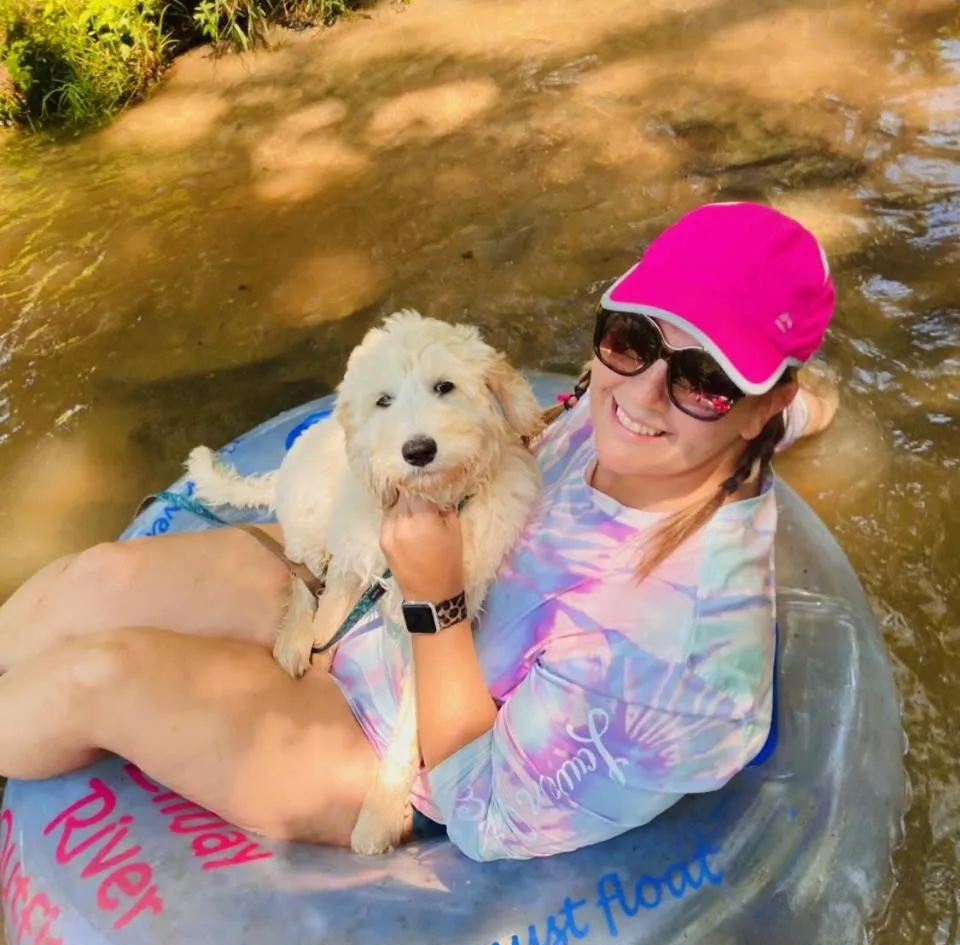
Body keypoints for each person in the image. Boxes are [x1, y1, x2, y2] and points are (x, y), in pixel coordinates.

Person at [0, 202, 837, 862]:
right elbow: (726, 393)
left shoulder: (668, 655)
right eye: (633, 339)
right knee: (96, 581)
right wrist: (793, 408)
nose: (644, 394)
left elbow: (485, 811)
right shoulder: (659, 405)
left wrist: (433, 600)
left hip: (392, 735)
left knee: (95, 678)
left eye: (704, 381)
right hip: (366, 588)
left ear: (756, 402)